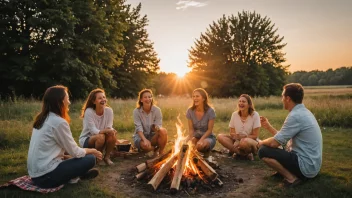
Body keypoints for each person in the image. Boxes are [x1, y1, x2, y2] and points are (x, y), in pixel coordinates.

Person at [27, 85, 102, 189]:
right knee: (90, 159)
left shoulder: (43, 118)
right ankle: (75, 176)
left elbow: (68, 149)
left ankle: (77, 174)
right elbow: (76, 152)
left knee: (76, 156)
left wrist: (72, 155)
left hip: (35, 174)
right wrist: (92, 150)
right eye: (68, 99)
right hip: (46, 177)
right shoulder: (58, 122)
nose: (69, 102)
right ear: (60, 102)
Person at [258, 83, 323, 187]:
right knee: (279, 147)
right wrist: (269, 127)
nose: (281, 99)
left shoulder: (295, 116)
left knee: (263, 150)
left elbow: (275, 143)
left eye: (282, 96)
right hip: (312, 165)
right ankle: (285, 172)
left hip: (305, 167)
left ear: (288, 98)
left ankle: (291, 178)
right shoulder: (304, 112)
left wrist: (261, 142)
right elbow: (283, 139)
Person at [79, 88, 117, 165]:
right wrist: (106, 131)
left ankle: (107, 157)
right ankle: (98, 158)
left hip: (101, 137)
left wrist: (111, 130)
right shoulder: (89, 111)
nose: (103, 99)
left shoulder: (109, 111)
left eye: (104, 97)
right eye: (100, 98)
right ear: (93, 101)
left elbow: (109, 126)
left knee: (112, 134)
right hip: (88, 139)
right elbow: (93, 131)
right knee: (101, 137)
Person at [217, 94, 261, 160]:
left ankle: (245, 152)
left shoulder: (255, 115)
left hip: (251, 141)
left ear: (249, 104)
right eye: (239, 101)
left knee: (244, 142)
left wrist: (241, 138)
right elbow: (231, 133)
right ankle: (241, 153)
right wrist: (237, 139)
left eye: (243, 101)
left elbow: (255, 135)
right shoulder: (234, 114)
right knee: (220, 136)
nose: (241, 103)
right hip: (237, 140)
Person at [133, 89, 168, 156]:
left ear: (152, 98)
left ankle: (160, 152)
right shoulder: (136, 111)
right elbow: (138, 127)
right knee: (147, 147)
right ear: (141, 100)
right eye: (145, 97)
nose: (148, 99)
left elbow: (159, 126)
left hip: (153, 135)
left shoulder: (157, 110)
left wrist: (156, 128)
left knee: (163, 131)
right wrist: (145, 140)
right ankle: (154, 148)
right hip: (141, 136)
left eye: (149, 97)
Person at [186, 88, 216, 158]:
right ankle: (194, 156)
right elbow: (191, 130)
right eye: (193, 96)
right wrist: (189, 139)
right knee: (186, 144)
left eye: (197, 96)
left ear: (203, 98)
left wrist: (201, 140)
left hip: (208, 137)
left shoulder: (210, 111)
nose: (195, 98)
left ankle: (206, 151)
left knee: (201, 145)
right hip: (196, 136)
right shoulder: (190, 111)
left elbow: (209, 130)